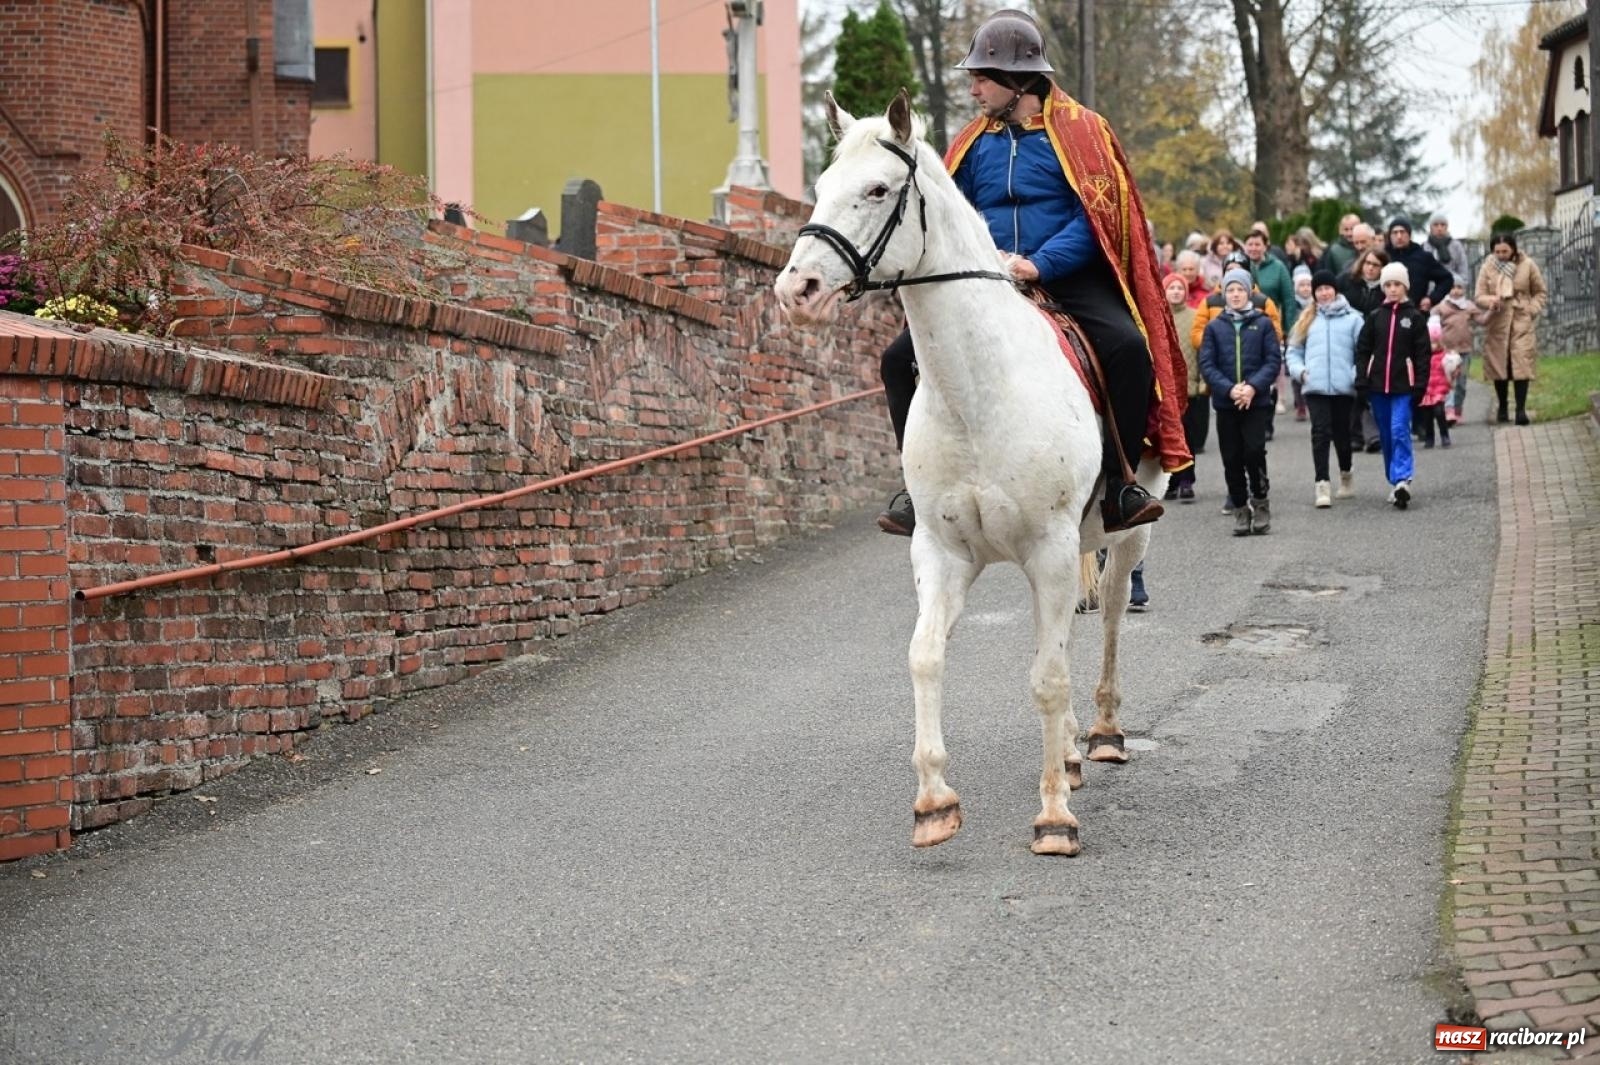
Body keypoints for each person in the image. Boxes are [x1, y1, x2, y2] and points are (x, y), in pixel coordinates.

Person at [877, 8, 1189, 536]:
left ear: (1016, 80)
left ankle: (1120, 484)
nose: (973, 89)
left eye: (980, 78)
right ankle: (917, 489)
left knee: (1128, 350)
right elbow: (953, 214)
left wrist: (1039, 263)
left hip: (1066, 278)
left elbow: (1096, 219)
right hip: (987, 284)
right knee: (895, 360)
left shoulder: (1086, 132)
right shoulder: (973, 142)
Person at [1199, 268, 1281, 535]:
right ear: (1224, 293)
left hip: (1256, 403)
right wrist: (1230, 389)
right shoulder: (1214, 326)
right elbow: (1207, 364)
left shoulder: (1264, 323)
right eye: (1230, 290)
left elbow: (1272, 361)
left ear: (1249, 292)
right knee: (1232, 457)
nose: (1235, 295)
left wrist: (1252, 388)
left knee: (1254, 452)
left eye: (1240, 290)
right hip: (1227, 403)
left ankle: (1260, 502)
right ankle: (1240, 509)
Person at [1354, 262, 1430, 509]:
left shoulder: (1415, 318)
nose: (1393, 289)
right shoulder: (1376, 317)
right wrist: (1362, 380)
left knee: (1399, 429)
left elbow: (1422, 354)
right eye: (1388, 284)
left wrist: (1420, 384)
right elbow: (1363, 350)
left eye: (1397, 284)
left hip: (1404, 387)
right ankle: (1394, 479)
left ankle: (1403, 479)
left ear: (1405, 286)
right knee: (1386, 434)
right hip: (1377, 387)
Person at [1285, 269, 1361, 507]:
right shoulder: (1306, 320)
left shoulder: (1354, 319)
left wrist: (1355, 374)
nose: (1324, 293)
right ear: (1314, 294)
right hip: (1314, 385)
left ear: (1335, 290)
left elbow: (1363, 352)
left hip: (1343, 386)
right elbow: (1293, 351)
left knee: (1342, 433)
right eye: (1319, 290)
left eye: (1328, 288)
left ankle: (1346, 474)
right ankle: (1322, 484)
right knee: (1320, 432)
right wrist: (1301, 372)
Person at [1474, 232, 1548, 426]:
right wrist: (1491, 300)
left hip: (1520, 320)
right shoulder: (1487, 267)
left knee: (1521, 362)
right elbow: (1479, 295)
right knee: (1500, 365)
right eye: (1497, 251)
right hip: (1497, 322)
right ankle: (1503, 406)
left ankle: (1521, 409)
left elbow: (1540, 291)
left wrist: (1531, 310)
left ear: (1513, 249)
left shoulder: (1528, 264)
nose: (1501, 255)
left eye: (1505, 251)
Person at [1162, 270, 1206, 503]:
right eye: (1172, 288)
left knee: (1188, 437)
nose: (1176, 292)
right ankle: (1171, 481)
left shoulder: (1195, 316)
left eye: (1180, 288)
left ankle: (1188, 480)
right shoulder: (1157, 316)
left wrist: (1202, 382)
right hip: (1164, 390)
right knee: (1167, 435)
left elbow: (1202, 352)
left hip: (1189, 388)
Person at [1433, 280, 1481, 424]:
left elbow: (1482, 319)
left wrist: (1492, 310)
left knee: (1461, 383)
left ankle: (1458, 410)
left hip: (1464, 351)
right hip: (1447, 351)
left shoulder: (1469, 306)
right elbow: (1433, 321)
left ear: (1464, 290)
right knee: (1447, 381)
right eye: (1452, 287)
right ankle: (1449, 410)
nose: (1455, 291)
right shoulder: (1441, 307)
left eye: (1459, 287)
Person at [1382, 216, 1453, 313]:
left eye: (1402, 232)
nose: (1399, 236)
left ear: (1409, 234)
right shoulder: (1383, 257)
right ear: (1390, 236)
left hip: (1416, 314)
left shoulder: (1423, 257)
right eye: (1395, 232)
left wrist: (1431, 299)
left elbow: (1446, 279)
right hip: (1386, 314)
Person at [1417, 319, 1455, 449]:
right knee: (1427, 415)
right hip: (1426, 389)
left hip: (1439, 388)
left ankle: (1444, 435)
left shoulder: (1444, 356)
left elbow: (1452, 368)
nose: (1432, 345)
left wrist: (1453, 370)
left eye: (1434, 342)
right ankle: (1429, 437)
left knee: (1439, 411)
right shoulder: (1422, 356)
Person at [1424, 211, 1469, 286]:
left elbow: (1463, 268)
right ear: (1431, 227)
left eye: (1442, 225)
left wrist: (1461, 285)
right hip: (1431, 290)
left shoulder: (1456, 246)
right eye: (1436, 225)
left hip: (1453, 288)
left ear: (1447, 227)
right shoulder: (1425, 247)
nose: (1439, 228)